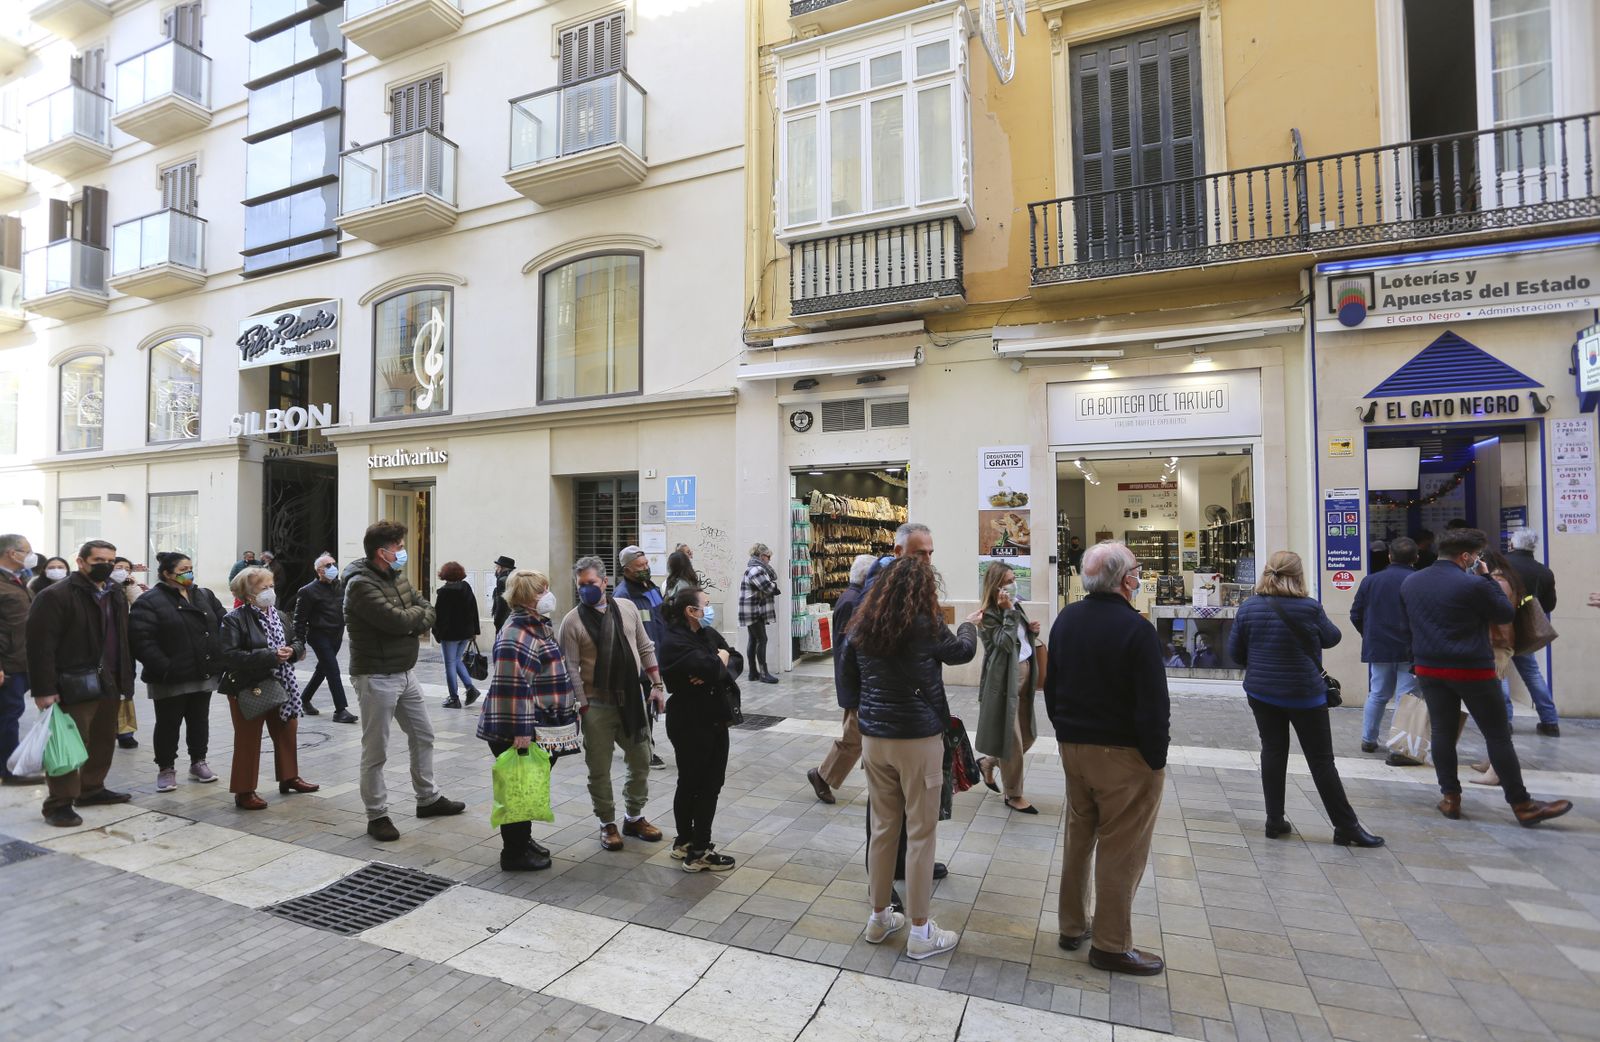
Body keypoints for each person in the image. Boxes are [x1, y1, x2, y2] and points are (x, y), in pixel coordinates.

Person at [840, 556, 974, 960]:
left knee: (883, 829)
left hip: (875, 739)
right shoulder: (925, 625)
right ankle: (920, 930)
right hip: (917, 739)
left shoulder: (862, 623)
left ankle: (879, 917)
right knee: (920, 833)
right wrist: (970, 624)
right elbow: (961, 652)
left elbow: (849, 676)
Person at [1044, 541, 1168, 976]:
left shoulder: (1066, 619)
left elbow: (1052, 684)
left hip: (1074, 749)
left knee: (1079, 837)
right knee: (1122, 848)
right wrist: (1155, 760)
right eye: (1136, 568)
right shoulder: (1137, 630)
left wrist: (1064, 733)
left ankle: (1072, 925)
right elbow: (1153, 703)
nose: (1139, 574)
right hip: (1124, 756)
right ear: (1125, 579)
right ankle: (1111, 946)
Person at [1400, 528, 1571, 826]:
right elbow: (1504, 613)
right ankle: (1522, 804)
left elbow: (1408, 623)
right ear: (1466, 556)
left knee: (1442, 733)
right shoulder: (1474, 584)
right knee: (1497, 735)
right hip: (1471, 668)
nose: (1479, 560)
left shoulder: (1411, 581)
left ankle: (1450, 797)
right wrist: (1487, 577)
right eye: (1477, 555)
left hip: (1429, 667)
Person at [1228, 551, 1384, 847]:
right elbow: (1333, 637)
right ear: (1299, 576)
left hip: (1261, 692)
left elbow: (1235, 654)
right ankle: (1346, 826)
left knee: (1273, 751)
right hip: (1304, 695)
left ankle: (1274, 820)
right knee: (1321, 761)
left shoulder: (1248, 607)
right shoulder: (1309, 608)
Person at [344, 521, 465, 842]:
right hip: (375, 675)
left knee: (423, 734)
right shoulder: (359, 585)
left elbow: (426, 608)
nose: (402, 551)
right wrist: (412, 622)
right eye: (398, 546)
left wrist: (411, 620)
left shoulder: (396, 576)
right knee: (376, 749)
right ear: (381, 552)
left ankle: (428, 798)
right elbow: (397, 621)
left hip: (405, 671)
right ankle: (377, 815)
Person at [557, 555, 666, 851]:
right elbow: (571, 667)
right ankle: (607, 822)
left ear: (605, 582)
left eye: (591, 583)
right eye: (580, 584)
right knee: (599, 769)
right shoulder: (572, 621)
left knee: (641, 759)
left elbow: (645, 647)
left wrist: (657, 685)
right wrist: (583, 705)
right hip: (597, 705)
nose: (585, 589)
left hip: (632, 701)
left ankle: (634, 816)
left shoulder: (627, 608)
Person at [25, 539, 135, 826]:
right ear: (81, 562)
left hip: (110, 680)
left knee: (103, 739)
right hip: (72, 683)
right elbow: (40, 647)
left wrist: (126, 678)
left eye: (110, 561)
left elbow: (122, 638)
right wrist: (44, 689)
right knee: (67, 743)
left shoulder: (115, 592)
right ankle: (58, 803)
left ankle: (91, 789)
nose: (106, 566)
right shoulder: (55, 596)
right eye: (98, 561)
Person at [478, 569, 579, 872]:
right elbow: (513, 686)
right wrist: (521, 732)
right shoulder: (517, 633)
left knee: (529, 785)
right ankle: (514, 853)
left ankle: (523, 840)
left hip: (538, 723)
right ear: (527, 597)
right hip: (521, 729)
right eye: (542, 590)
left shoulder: (535, 625)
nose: (549, 595)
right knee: (518, 790)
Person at [128, 552, 228, 793]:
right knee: (168, 724)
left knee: (199, 720)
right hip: (169, 676)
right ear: (167, 573)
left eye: (190, 568)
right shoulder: (149, 601)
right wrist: (166, 667)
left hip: (203, 670)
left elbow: (224, 623)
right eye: (183, 570)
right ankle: (166, 768)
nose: (189, 573)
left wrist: (220, 657)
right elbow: (142, 641)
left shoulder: (203, 595)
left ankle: (198, 762)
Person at [219, 566, 318, 808]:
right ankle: (244, 791)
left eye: (271, 586)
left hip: (283, 683)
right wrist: (270, 656)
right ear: (248, 593)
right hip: (249, 686)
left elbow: (297, 640)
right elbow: (230, 656)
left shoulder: (280, 615)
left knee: (287, 730)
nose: (270, 592)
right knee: (248, 739)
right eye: (264, 588)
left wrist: (292, 650)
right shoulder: (235, 619)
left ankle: (289, 777)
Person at [658, 585, 742, 872]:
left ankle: (685, 842)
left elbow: (735, 659)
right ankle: (698, 851)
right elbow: (713, 667)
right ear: (691, 611)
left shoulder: (705, 633)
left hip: (713, 717)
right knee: (701, 785)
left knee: (702, 783)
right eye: (706, 604)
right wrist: (718, 662)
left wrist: (720, 661)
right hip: (691, 721)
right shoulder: (674, 641)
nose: (709, 608)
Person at [972, 562, 1042, 814]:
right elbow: (1002, 645)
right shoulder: (989, 614)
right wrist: (1009, 613)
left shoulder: (1014, 605)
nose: (1014, 584)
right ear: (996, 585)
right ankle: (1013, 794)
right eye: (1009, 581)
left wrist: (1030, 631)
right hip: (1004, 681)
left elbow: (1017, 641)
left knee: (1028, 735)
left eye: (1014, 579)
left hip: (1024, 674)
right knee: (1012, 742)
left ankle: (988, 762)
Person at [806, 553, 876, 805]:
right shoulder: (853, 601)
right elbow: (849, 650)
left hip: (858, 683)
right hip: (857, 684)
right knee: (854, 737)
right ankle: (822, 776)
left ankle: (876, 786)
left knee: (862, 737)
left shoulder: (854, 598)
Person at [1349, 536, 1419, 753]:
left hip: (1379, 646)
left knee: (1378, 693)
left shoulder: (1370, 581)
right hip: (1410, 648)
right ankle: (1399, 746)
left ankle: (1368, 739)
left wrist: (1370, 634)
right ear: (1416, 558)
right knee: (1406, 697)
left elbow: (1355, 614)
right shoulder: (1419, 580)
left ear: (1389, 556)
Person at [615, 545, 668, 769]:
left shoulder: (651, 588)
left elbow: (662, 619)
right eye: (640, 566)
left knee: (649, 707)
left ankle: (638, 743)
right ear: (627, 569)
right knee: (643, 708)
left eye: (646, 564)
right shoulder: (622, 596)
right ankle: (645, 750)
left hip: (656, 658)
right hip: (638, 663)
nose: (645, 568)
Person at [1503, 528, 1559, 736]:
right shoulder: (1543, 571)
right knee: (1532, 673)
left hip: (1501, 626)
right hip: (1525, 629)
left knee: (1499, 672)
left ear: (1512, 544)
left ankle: (1504, 721)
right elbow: (1549, 605)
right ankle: (1550, 720)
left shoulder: (1501, 565)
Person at [0, 533, 43, 785]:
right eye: (27, 551)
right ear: (11, 553)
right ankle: (9, 771)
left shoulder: (18, 579)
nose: (31, 555)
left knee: (10, 714)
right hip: (8, 663)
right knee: (8, 716)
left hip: (23, 659)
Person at [294, 553, 357, 723]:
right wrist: (299, 645)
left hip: (336, 635)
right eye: (328, 565)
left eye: (334, 564)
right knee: (333, 670)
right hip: (319, 635)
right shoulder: (307, 591)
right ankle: (340, 710)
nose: (333, 567)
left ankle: (304, 699)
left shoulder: (341, 586)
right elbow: (299, 620)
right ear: (319, 570)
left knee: (323, 669)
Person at [434, 561, 483, 710]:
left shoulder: (444, 592)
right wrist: (474, 631)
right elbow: (474, 610)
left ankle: (454, 698)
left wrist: (437, 633)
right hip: (466, 633)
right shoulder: (466, 587)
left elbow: (440, 617)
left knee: (449, 664)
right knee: (456, 660)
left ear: (444, 574)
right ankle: (470, 689)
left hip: (450, 634)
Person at [111, 557, 145, 749]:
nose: (123, 571)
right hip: (103, 649)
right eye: (118, 567)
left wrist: (131, 586)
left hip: (124, 647)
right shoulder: (101, 589)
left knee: (125, 687)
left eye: (127, 568)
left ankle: (125, 731)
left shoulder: (129, 586)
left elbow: (141, 604)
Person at [739, 543, 781, 684]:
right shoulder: (757, 569)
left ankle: (753, 672)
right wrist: (775, 586)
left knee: (753, 639)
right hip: (754, 610)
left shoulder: (753, 568)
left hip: (751, 609)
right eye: (768, 556)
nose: (770, 559)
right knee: (762, 639)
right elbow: (768, 587)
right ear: (762, 556)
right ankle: (763, 673)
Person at [491, 555, 516, 635]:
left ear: (501, 568)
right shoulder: (513, 579)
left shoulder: (502, 580)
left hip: (504, 620)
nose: (496, 569)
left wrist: (497, 620)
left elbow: (501, 603)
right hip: (513, 618)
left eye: (497, 567)